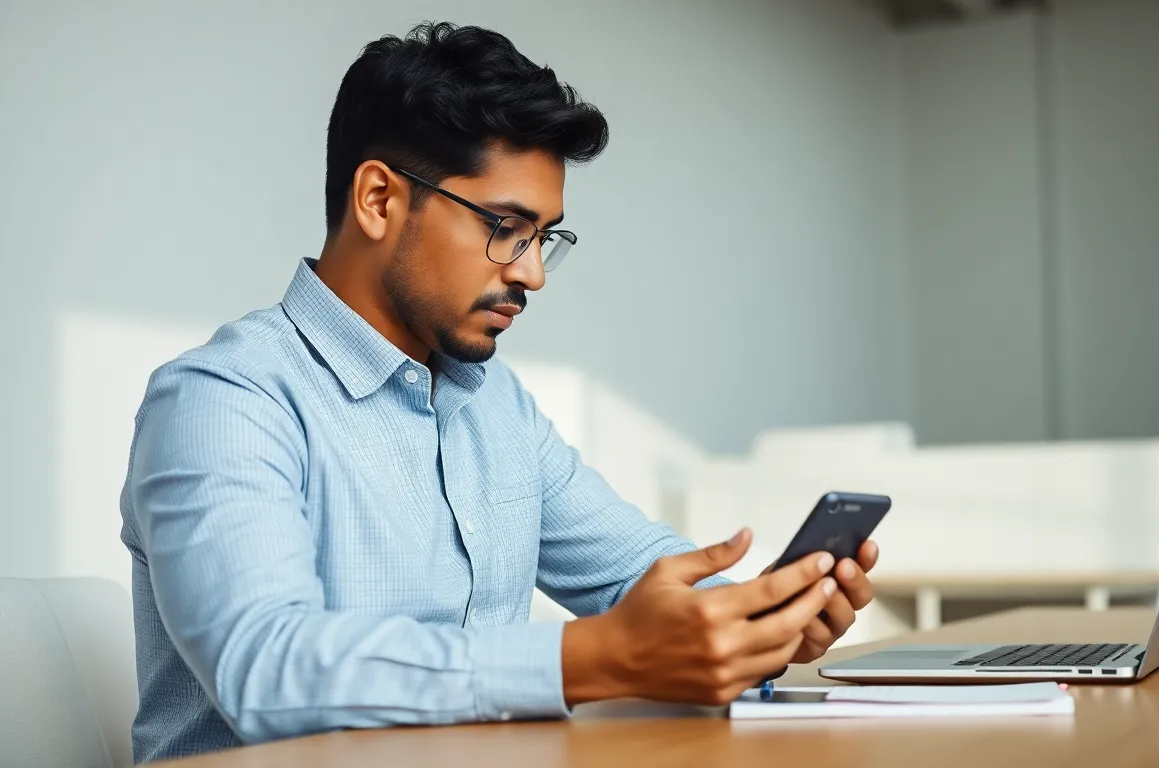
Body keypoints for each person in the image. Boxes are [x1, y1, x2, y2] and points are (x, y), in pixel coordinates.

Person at [120, 22, 878, 763]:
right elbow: (266, 666)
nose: (531, 272)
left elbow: (634, 577)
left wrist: (757, 620)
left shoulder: (494, 404)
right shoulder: (223, 400)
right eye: (506, 226)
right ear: (379, 199)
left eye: (544, 236)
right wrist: (587, 658)